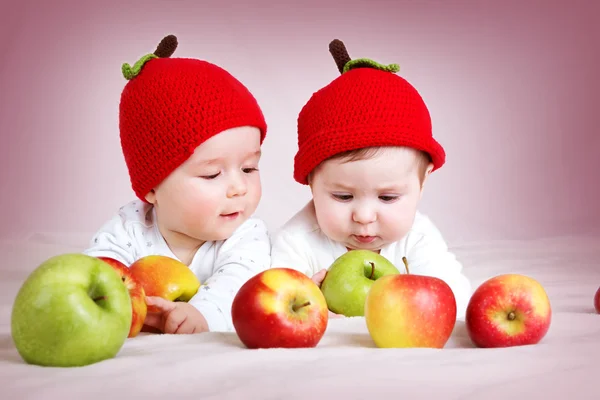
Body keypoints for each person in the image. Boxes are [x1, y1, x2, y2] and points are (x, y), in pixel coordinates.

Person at [270, 39, 472, 319]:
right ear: (311, 183)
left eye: (387, 197)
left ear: (422, 183)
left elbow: (456, 303)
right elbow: (272, 306)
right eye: (343, 196)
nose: (364, 217)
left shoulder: (418, 239)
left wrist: (415, 306)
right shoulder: (295, 243)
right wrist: (305, 303)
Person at [84, 34, 271, 334]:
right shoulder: (130, 229)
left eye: (249, 168)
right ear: (152, 188)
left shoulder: (245, 236)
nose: (239, 187)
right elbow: (93, 273)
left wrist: (202, 314)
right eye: (212, 174)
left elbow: (240, 283)